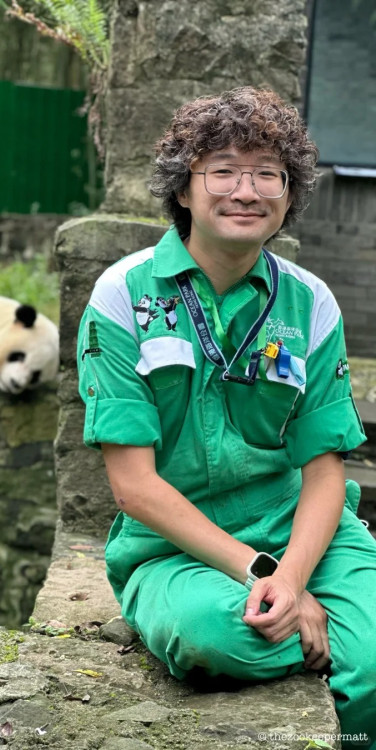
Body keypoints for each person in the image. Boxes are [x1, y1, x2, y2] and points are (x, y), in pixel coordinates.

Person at [77, 87, 376, 747]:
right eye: (223, 170)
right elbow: (133, 485)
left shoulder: (312, 305)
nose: (247, 189)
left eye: (268, 172)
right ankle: (321, 649)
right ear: (184, 190)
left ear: (288, 195)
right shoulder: (122, 298)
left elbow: (326, 470)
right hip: (173, 551)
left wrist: (292, 576)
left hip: (304, 536)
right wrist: (262, 576)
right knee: (220, 636)